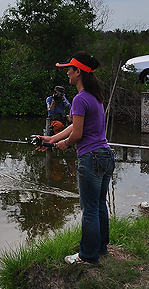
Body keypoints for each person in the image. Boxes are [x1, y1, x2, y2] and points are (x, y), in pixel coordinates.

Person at [37, 51, 113, 265]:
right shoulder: (95, 97)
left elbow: (77, 134)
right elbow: (74, 126)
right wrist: (51, 139)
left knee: (89, 209)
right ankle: (101, 249)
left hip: (91, 158)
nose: (67, 73)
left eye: (69, 69)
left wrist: (66, 143)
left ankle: (87, 257)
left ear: (78, 71)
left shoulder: (80, 99)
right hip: (106, 155)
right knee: (99, 205)